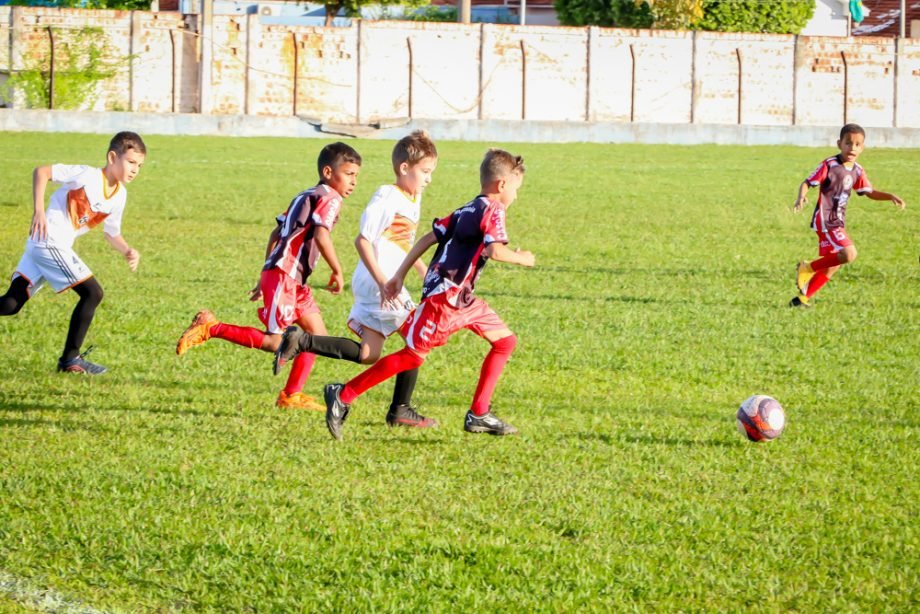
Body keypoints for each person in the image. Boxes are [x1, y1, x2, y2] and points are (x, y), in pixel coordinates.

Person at [322, 148, 535, 440]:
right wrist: (523, 258)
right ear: (501, 185)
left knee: (505, 341)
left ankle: (479, 413)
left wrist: (399, 275)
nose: (515, 196)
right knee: (412, 356)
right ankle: (343, 394)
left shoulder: (466, 209)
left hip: (463, 299)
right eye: (516, 189)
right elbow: (493, 250)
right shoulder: (493, 209)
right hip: (445, 300)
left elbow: (428, 237)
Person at [175, 142, 361, 410]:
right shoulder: (330, 198)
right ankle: (211, 327)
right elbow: (321, 234)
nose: (354, 181)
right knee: (276, 342)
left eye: (356, 175)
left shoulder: (305, 195)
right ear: (329, 172)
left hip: (287, 278)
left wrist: (266, 274)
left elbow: (276, 233)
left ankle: (291, 395)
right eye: (349, 174)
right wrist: (337, 269)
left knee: (317, 337)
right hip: (285, 276)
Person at [274, 131, 439, 428]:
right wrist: (383, 281)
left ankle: (302, 341)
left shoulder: (413, 197)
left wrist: (424, 273)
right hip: (379, 281)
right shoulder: (387, 196)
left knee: (368, 354)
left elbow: (402, 244)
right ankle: (398, 408)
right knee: (417, 341)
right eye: (425, 172)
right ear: (404, 168)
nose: (429, 179)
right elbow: (362, 241)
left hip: (385, 280)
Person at [0, 131, 146, 374]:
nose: (135, 169)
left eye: (139, 165)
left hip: (49, 245)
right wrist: (38, 211)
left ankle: (70, 359)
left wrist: (127, 250)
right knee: (93, 293)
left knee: (11, 304)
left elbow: (111, 232)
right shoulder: (86, 175)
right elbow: (42, 172)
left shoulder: (120, 195)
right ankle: (70, 359)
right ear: (112, 157)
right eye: (130, 162)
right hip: (48, 241)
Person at [790, 123, 906, 308]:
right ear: (839, 144)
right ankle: (807, 268)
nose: (852, 148)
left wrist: (889, 196)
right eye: (848, 143)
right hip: (826, 220)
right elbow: (807, 182)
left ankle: (802, 300)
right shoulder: (829, 164)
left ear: (863, 147)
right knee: (849, 254)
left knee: (833, 265)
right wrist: (801, 197)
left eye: (857, 144)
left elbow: (869, 192)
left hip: (838, 221)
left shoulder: (858, 170)